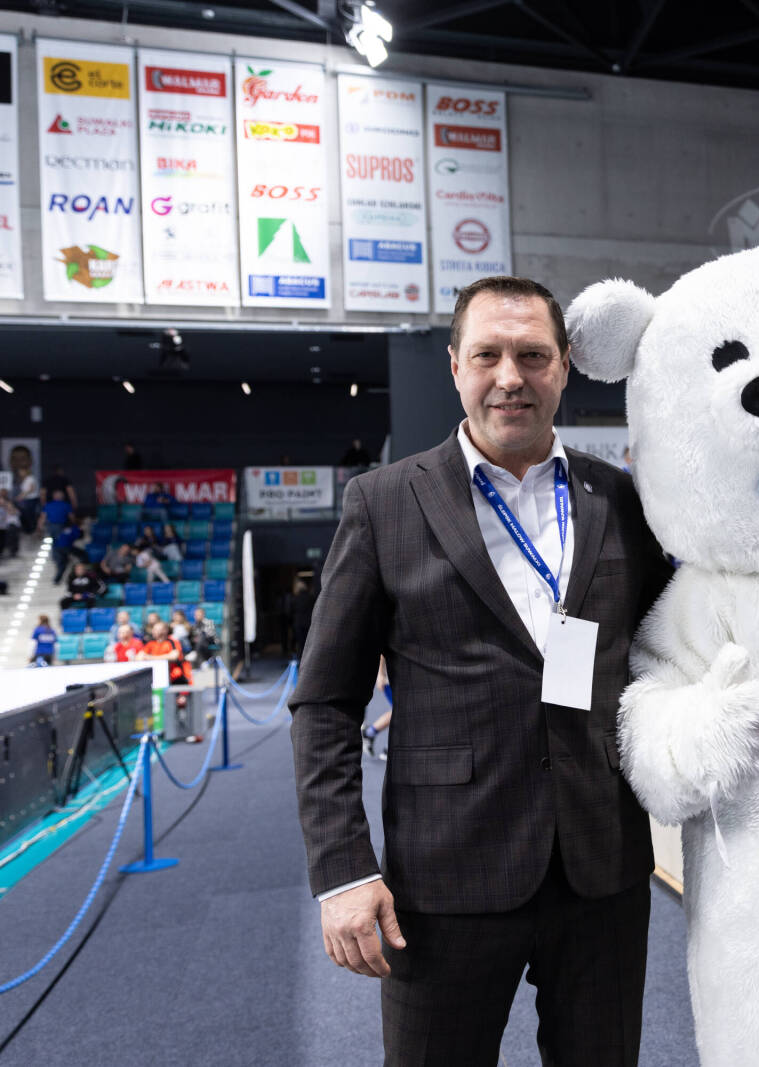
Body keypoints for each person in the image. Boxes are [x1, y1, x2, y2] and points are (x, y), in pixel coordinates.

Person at [289, 275, 673, 1067]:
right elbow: (325, 703)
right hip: (445, 878)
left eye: (532, 355)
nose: (510, 377)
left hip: (602, 868)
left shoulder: (622, 499)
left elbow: (666, 647)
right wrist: (343, 869)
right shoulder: (383, 503)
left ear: (564, 365)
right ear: (455, 366)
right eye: (488, 354)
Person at [138, 620, 191, 685]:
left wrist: (150, 658)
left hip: (174, 676)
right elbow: (139, 657)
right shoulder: (150, 643)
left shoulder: (172, 642)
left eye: (156, 630)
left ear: (165, 631)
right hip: (157, 676)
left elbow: (174, 657)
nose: (153, 631)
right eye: (153, 630)